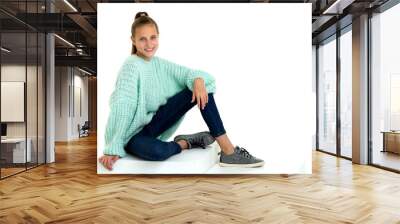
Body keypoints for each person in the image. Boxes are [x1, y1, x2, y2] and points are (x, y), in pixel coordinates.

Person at [99, 11, 264, 171]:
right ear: (133, 40)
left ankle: (229, 151)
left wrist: (198, 81)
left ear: (158, 37)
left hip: (153, 125)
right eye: (142, 39)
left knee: (201, 86)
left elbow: (198, 76)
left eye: (153, 37)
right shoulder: (131, 65)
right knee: (158, 152)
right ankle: (186, 143)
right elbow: (122, 107)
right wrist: (113, 147)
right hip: (132, 137)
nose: (149, 44)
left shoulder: (159, 64)